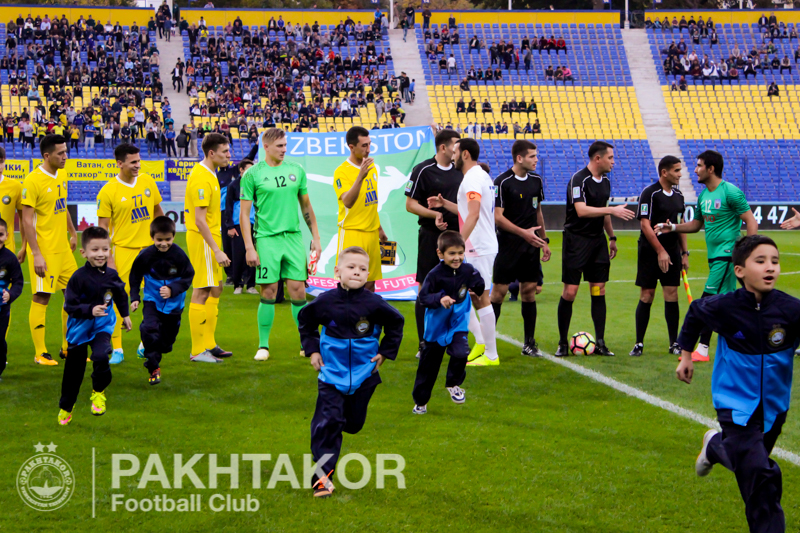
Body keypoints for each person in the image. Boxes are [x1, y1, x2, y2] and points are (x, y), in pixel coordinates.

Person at [676, 235, 797, 533]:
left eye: (775, 261)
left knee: (748, 466)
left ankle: (715, 446)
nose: (770, 267)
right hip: (735, 404)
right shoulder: (725, 306)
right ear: (739, 271)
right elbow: (695, 312)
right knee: (761, 476)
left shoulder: (790, 309)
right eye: (761, 261)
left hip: (774, 407)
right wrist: (686, 355)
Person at [298, 246, 404, 498]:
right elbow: (306, 321)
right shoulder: (325, 302)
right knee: (329, 422)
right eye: (351, 267)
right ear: (337, 271)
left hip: (364, 374)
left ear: (368, 274)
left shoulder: (374, 303)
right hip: (331, 374)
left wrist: (385, 352)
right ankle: (322, 478)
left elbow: (396, 322)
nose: (357, 272)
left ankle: (333, 426)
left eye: (362, 269)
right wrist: (312, 350)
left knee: (354, 424)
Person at [655, 150, 757, 361]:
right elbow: (695, 225)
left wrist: (746, 253)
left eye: (699, 165)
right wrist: (672, 227)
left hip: (727, 256)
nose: (695, 170)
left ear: (711, 169)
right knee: (727, 304)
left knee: (705, 301)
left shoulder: (730, 192)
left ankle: (701, 348)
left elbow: (751, 221)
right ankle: (748, 339)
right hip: (715, 258)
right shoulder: (703, 196)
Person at [240, 128, 322, 362]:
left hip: (293, 238)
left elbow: (306, 206)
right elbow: (244, 215)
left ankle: (306, 344)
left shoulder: (296, 170)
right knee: (269, 291)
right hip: (267, 239)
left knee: (298, 290)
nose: (284, 149)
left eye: (285, 145)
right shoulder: (252, 174)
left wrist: (316, 238)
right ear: (265, 147)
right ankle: (263, 346)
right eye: (279, 146)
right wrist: (249, 247)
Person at [555, 141, 635, 357]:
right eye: (610, 158)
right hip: (576, 241)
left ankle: (600, 342)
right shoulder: (579, 180)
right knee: (570, 292)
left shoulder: (605, 181)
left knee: (599, 289)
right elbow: (581, 210)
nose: (613, 162)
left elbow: (603, 211)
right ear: (597, 158)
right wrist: (612, 210)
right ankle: (562, 343)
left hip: (597, 241)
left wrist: (612, 237)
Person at [427, 138, 499, 366]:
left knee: (481, 298)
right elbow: (469, 209)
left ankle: (491, 354)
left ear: (465, 154)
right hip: (478, 245)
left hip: (479, 246)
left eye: (456, 151)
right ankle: (481, 344)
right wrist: (444, 204)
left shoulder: (473, 178)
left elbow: (474, 214)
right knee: (469, 296)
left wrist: (458, 242)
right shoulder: (478, 176)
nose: (453, 155)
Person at [57, 226, 132, 426]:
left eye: (105, 249)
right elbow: (69, 306)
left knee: (101, 356)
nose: (101, 254)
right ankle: (67, 406)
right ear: (84, 253)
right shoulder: (77, 277)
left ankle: (98, 392)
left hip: (102, 325)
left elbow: (120, 294)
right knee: (74, 371)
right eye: (95, 250)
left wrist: (125, 315)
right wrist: (90, 310)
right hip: (79, 328)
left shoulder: (112, 275)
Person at [97, 143, 164, 364]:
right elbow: (102, 230)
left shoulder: (148, 182)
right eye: (133, 162)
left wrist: (164, 240)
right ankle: (117, 348)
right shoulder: (108, 191)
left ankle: (145, 343)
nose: (138, 165)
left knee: (155, 298)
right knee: (117, 299)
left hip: (149, 251)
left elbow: (157, 212)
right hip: (123, 251)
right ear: (120, 163)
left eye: (139, 161)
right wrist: (109, 259)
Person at [405, 129, 463, 358]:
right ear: (443, 147)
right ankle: (424, 343)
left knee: (456, 289)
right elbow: (410, 204)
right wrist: (434, 215)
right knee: (426, 288)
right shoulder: (423, 170)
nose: (458, 149)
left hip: (457, 238)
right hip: (431, 237)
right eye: (456, 144)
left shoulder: (461, 171)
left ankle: (450, 340)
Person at [412, 231, 484, 413]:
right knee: (428, 367)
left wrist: (477, 287)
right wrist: (440, 298)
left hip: (458, 322)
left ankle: (453, 384)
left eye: (460, 253)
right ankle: (420, 402)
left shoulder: (467, 270)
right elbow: (423, 297)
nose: (457, 258)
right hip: (436, 327)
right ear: (440, 253)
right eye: (452, 253)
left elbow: (478, 283)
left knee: (461, 352)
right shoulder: (434, 275)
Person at [22, 135, 78, 366]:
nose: (65, 156)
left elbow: (62, 207)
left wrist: (73, 232)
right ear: (47, 156)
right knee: (42, 296)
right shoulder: (32, 181)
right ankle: (40, 353)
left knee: (74, 296)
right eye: (60, 153)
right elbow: (26, 220)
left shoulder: (62, 174)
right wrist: (35, 253)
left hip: (63, 249)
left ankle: (68, 347)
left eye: (66, 151)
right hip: (44, 250)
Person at [490, 140, 550, 356]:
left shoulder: (536, 180)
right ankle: (487, 343)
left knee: (529, 292)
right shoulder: (502, 182)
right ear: (519, 158)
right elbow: (498, 217)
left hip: (531, 246)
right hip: (507, 245)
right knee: (498, 293)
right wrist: (523, 233)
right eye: (532, 156)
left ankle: (529, 343)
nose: (536, 160)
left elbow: (538, 212)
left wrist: (544, 240)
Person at [629, 155, 688, 357]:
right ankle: (639, 343)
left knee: (672, 294)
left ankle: (674, 343)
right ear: (664, 172)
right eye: (676, 170)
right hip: (649, 252)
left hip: (672, 251)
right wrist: (660, 251)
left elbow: (680, 225)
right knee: (647, 295)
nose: (680, 174)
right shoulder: (650, 193)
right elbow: (645, 225)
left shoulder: (679, 195)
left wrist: (684, 253)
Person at [184, 133, 233, 363]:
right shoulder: (202, 178)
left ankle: (209, 343)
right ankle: (197, 350)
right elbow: (199, 220)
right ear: (211, 153)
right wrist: (216, 249)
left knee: (216, 288)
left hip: (210, 236)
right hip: (203, 238)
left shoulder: (210, 172)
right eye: (225, 151)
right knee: (202, 289)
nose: (229, 155)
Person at [128, 216, 194, 386]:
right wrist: (135, 297)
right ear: (152, 237)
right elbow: (135, 276)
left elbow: (188, 276)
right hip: (152, 301)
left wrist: (173, 289)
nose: (163, 243)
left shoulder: (179, 255)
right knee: (149, 329)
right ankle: (153, 367)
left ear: (173, 236)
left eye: (167, 239)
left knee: (165, 345)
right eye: (159, 240)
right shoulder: (145, 256)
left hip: (174, 306)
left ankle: (149, 345)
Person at [333, 127, 388, 291]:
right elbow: (348, 202)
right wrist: (360, 176)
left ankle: (366, 310)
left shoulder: (372, 167)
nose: (368, 149)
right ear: (351, 147)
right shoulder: (341, 172)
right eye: (364, 145)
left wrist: (379, 229)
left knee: (370, 282)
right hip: (352, 232)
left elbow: (370, 202)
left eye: (369, 144)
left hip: (372, 233)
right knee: (349, 282)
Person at [225, 159, 256, 294]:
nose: (251, 172)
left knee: (253, 254)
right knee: (238, 254)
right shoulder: (233, 185)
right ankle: (238, 284)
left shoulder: (256, 184)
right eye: (248, 169)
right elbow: (228, 207)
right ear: (241, 170)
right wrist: (230, 226)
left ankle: (251, 285)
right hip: (238, 225)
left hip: (254, 224)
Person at [0, 218, 23, 380]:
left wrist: (10, 295)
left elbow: (18, 282)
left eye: (0, 234)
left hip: (2, 309)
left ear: (7, 236)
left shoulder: (10, 258)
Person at [0, 146, 26, 259]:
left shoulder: (15, 186)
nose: (0, 166)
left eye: (1, 162)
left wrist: (24, 246)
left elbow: (24, 219)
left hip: (7, 249)